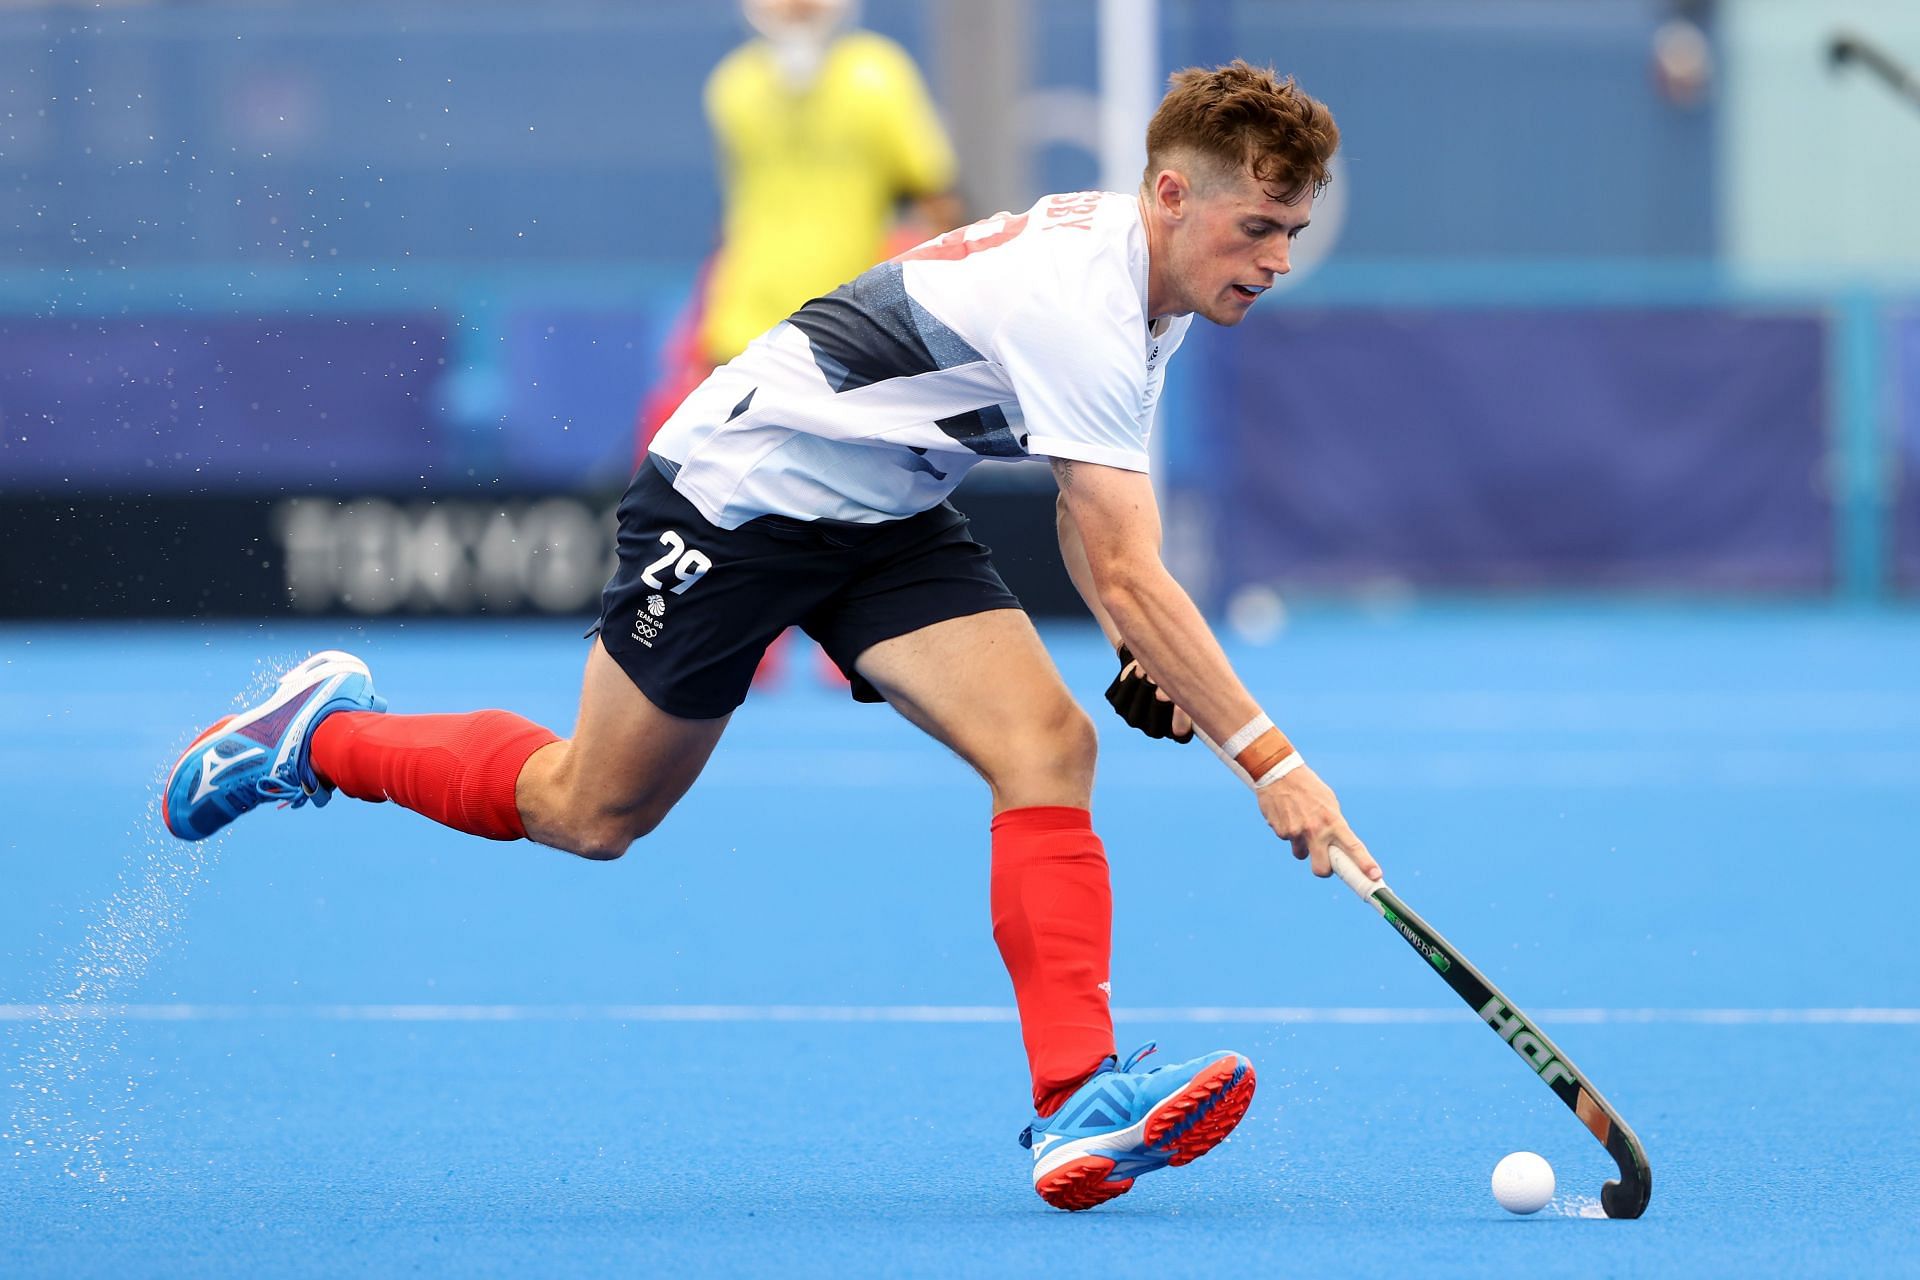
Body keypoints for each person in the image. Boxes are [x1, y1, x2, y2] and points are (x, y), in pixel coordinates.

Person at [163, 61, 1381, 1212]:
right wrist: (1275, 764)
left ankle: (1074, 1100)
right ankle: (318, 738)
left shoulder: (1148, 283)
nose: (1275, 261)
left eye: (1293, 234)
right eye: (1258, 229)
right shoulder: (1086, 302)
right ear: (1172, 193)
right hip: (736, 499)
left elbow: (1091, 521)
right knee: (593, 810)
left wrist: (1137, 649)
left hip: (883, 510)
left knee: (1049, 746)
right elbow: (1125, 558)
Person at [637, 0, 964, 690]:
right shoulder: (734, 85)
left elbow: (934, 195)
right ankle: (742, 634)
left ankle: (857, 629)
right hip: (744, 313)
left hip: (851, 322)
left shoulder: (880, 75)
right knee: (728, 488)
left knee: (859, 480)